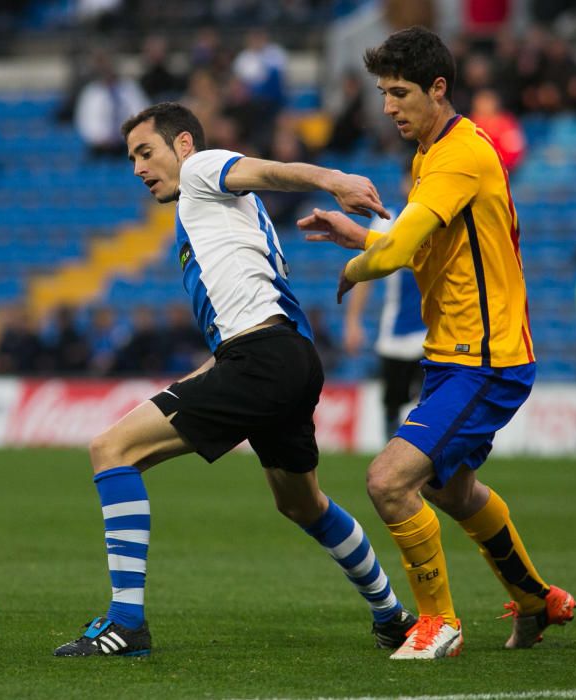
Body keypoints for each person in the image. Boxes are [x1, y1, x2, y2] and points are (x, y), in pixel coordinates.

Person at [53, 101, 415, 658]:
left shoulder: (200, 170)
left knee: (111, 450)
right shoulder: (212, 214)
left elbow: (264, 170)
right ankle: (392, 616)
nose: (137, 168)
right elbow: (242, 323)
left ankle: (126, 625)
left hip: (264, 360)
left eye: (145, 152)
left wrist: (332, 178)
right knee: (302, 504)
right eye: (130, 158)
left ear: (181, 146)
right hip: (288, 356)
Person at [300, 26, 576, 660]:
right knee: (451, 491)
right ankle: (536, 599)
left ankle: (437, 623)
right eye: (382, 93)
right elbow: (418, 245)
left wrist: (359, 265)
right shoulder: (432, 153)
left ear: (439, 88)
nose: (389, 105)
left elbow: (400, 249)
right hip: (456, 356)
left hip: (486, 359)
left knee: (389, 481)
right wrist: (360, 238)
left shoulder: (457, 154)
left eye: (400, 92)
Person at [343, 196, 425, 442]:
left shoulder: (440, 215)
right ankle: (392, 450)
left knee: (430, 398)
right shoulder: (386, 221)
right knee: (393, 401)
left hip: (433, 331)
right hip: (395, 332)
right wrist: (353, 321)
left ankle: (426, 453)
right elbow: (367, 273)